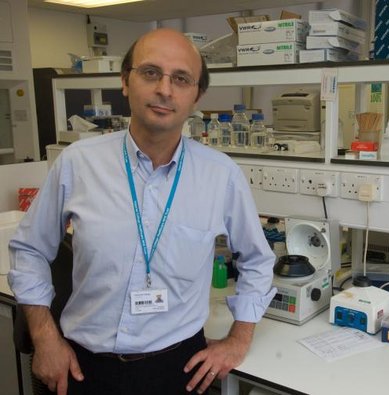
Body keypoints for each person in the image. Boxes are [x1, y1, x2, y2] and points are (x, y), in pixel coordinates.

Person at [8, 28, 275, 395]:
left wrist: (239, 338)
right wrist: (44, 338)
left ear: (196, 95)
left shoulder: (221, 175)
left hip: (178, 370)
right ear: (125, 81)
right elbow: (29, 250)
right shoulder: (78, 163)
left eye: (181, 79)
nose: (165, 89)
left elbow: (258, 261)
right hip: (82, 369)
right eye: (151, 73)